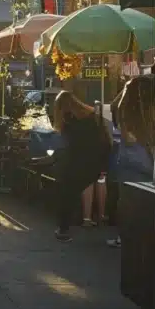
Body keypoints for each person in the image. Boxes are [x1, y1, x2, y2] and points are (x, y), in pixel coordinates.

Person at [50, 91, 112, 242]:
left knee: (66, 193)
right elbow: (104, 141)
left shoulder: (69, 121)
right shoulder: (92, 117)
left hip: (79, 163)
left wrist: (57, 157)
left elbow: (70, 146)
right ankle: (99, 215)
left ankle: (64, 228)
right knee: (72, 190)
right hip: (95, 163)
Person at [108, 75, 155, 248]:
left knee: (128, 203)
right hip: (149, 161)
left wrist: (127, 88)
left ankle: (126, 238)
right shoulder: (154, 109)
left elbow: (114, 106)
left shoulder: (124, 109)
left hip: (130, 161)